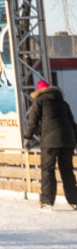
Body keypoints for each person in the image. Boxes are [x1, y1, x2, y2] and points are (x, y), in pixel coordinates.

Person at [24, 79, 77, 210]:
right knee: (67, 170)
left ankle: (47, 200)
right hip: (67, 139)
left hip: (50, 141)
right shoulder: (63, 103)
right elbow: (72, 122)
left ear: (38, 91)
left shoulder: (39, 101)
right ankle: (74, 200)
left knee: (47, 170)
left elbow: (32, 121)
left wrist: (28, 138)